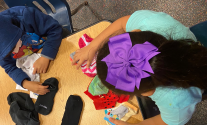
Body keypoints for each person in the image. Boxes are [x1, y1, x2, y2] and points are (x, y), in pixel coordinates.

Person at [72, 10, 207, 125]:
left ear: (146, 93)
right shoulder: (151, 22)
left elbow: (164, 122)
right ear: (136, 31)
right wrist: (92, 46)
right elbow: (122, 23)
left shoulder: (177, 103)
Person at [0, 6, 63, 95]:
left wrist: (45, 57)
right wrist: (24, 83)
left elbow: (55, 29)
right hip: (42, 63)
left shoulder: (26, 16)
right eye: (9, 53)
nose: (15, 51)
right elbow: (9, 67)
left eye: (14, 45)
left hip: (56, 46)